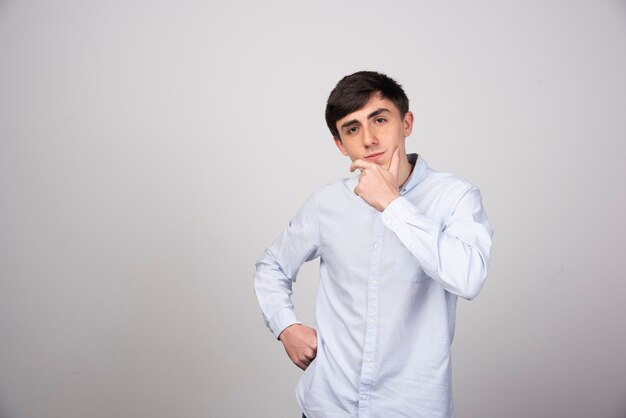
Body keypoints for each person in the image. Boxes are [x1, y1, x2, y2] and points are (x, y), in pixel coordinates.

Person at [253, 71, 493, 418]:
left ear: (406, 123)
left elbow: (468, 278)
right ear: (340, 145)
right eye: (352, 128)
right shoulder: (327, 203)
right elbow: (271, 266)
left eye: (379, 119)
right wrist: (285, 326)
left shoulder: (454, 197)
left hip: (411, 409)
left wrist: (392, 205)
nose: (368, 138)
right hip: (326, 407)